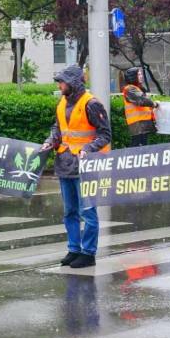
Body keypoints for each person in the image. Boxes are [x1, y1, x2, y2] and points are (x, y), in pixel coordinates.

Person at [40, 65, 111, 269]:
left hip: (85, 166)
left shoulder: (91, 104)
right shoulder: (62, 102)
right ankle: (74, 249)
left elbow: (105, 134)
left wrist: (89, 148)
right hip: (65, 164)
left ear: (73, 82)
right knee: (70, 211)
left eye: (62, 81)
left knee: (87, 211)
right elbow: (58, 128)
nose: (59, 85)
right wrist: (50, 141)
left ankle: (88, 253)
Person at [121, 67, 159, 147]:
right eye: (138, 74)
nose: (141, 76)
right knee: (137, 146)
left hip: (142, 122)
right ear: (133, 76)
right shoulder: (129, 89)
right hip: (138, 123)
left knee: (141, 146)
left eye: (141, 74)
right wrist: (154, 104)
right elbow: (141, 100)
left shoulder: (137, 88)